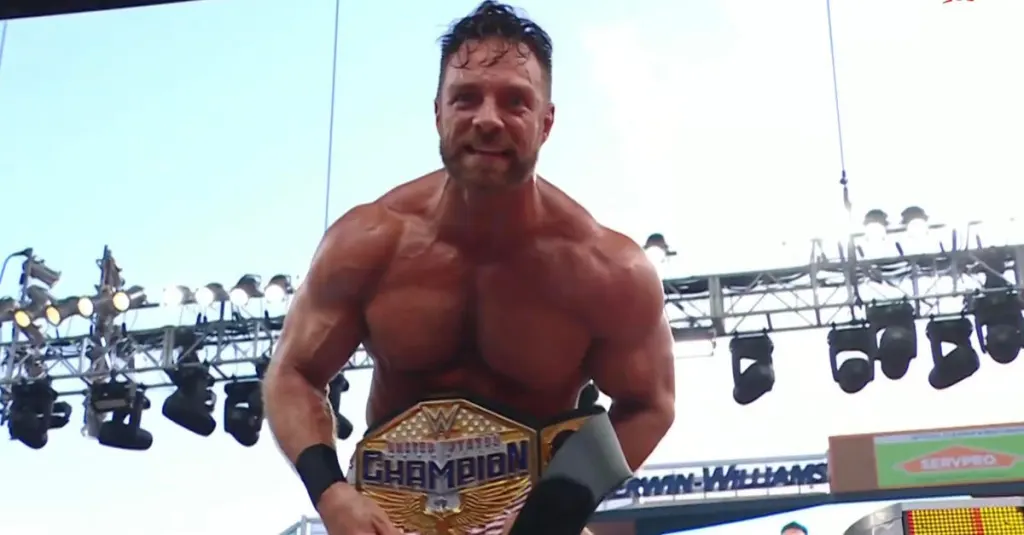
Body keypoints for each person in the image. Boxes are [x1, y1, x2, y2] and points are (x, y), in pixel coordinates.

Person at [262, 2, 676, 534]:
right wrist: (331, 492)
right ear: (438, 112)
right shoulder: (368, 243)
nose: (487, 119)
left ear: (546, 123)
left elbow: (651, 403)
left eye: (515, 101)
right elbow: (293, 373)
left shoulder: (605, 270)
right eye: (466, 98)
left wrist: (552, 513)